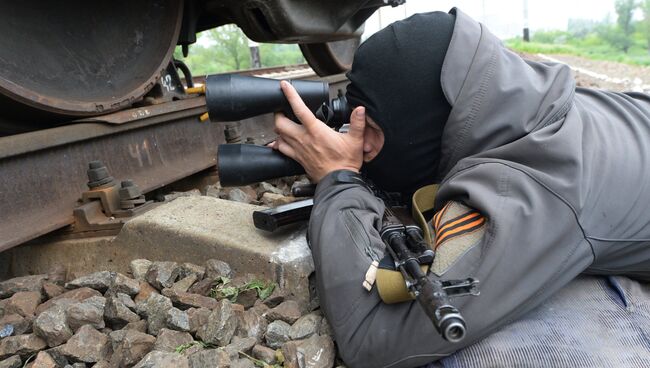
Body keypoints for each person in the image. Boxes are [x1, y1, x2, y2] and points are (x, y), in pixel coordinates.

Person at [270, 8, 650, 368]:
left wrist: (338, 178)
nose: (361, 147)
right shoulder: (523, 99)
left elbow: (371, 331)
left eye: (375, 131)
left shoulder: (542, 188)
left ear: (425, 126)